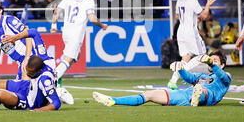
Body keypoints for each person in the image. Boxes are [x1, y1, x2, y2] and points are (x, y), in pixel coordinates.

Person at [94, 52, 231, 107]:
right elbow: (189, 77)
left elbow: (223, 76)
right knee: (149, 95)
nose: (211, 62)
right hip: (185, 96)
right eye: (210, 59)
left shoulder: (226, 76)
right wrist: (180, 68)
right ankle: (113, 100)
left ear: (222, 65)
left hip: (208, 96)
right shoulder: (203, 76)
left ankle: (198, 94)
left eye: (215, 60)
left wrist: (211, 64)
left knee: (203, 91)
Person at [50, 0, 108, 104]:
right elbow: (92, 19)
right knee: (68, 59)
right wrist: (102, 25)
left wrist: (54, 26)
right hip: (76, 35)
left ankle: (57, 83)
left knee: (74, 57)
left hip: (66, 33)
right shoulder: (88, 0)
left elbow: (56, 12)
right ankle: (51, 80)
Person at [0, 0, 54, 82]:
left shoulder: (9, 21)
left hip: (32, 58)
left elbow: (28, 34)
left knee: (32, 88)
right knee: (18, 92)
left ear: (0, 10)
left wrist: (27, 58)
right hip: (22, 64)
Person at [167, 0, 216, 89]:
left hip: (181, 30)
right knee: (202, 55)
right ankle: (182, 73)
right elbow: (204, 16)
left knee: (186, 57)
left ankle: (173, 81)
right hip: (190, 31)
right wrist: (208, 5)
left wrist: (193, 18)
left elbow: (177, 16)